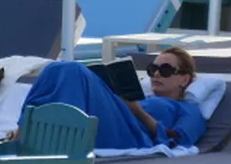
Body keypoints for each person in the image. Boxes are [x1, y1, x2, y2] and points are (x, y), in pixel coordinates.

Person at [17, 47, 206, 149]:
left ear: (184, 79)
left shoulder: (190, 110)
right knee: (54, 69)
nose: (156, 74)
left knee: (73, 70)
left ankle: (57, 139)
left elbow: (180, 140)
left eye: (165, 70)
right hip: (114, 117)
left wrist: (138, 112)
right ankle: (23, 132)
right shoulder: (143, 97)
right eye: (153, 69)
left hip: (133, 135)